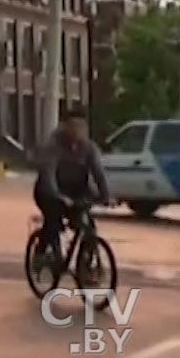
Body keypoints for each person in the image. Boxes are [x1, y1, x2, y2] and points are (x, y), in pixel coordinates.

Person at [33, 110, 113, 273]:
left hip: (77, 190)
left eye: (81, 127)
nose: (78, 131)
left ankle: (87, 264)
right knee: (53, 220)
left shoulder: (89, 148)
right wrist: (58, 196)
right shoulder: (53, 146)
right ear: (65, 127)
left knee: (87, 226)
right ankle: (41, 253)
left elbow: (98, 173)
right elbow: (48, 175)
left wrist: (105, 195)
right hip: (49, 191)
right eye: (74, 126)